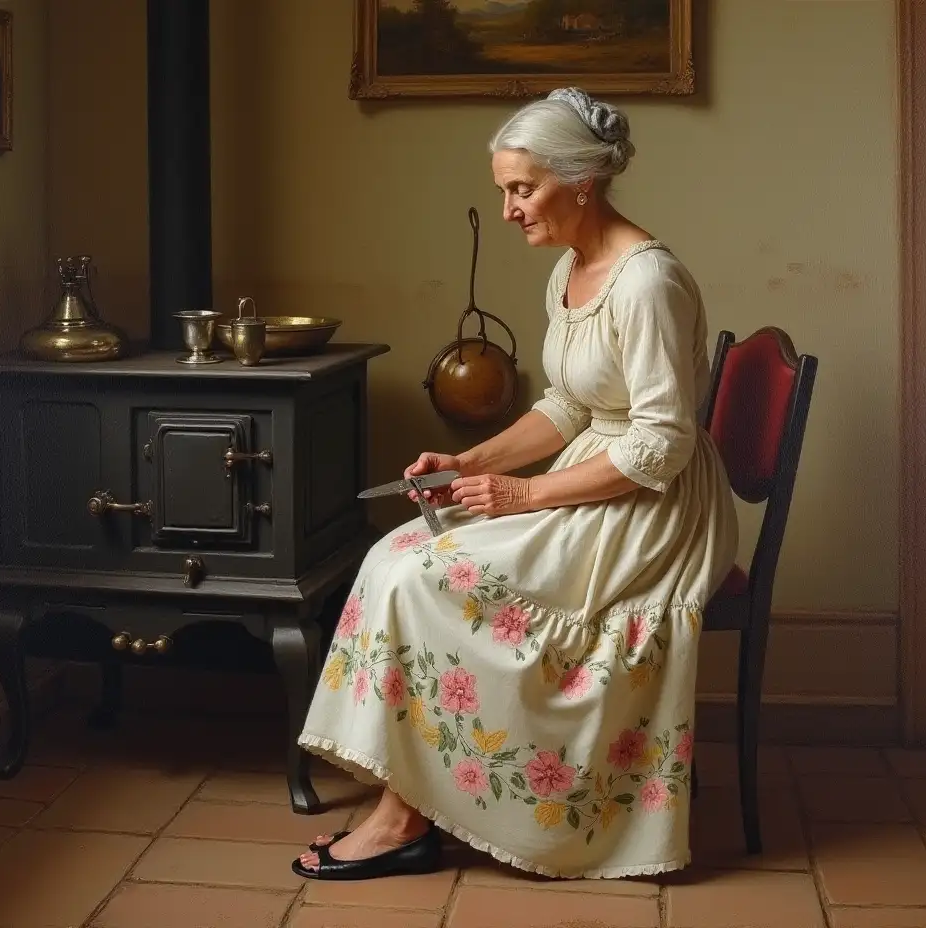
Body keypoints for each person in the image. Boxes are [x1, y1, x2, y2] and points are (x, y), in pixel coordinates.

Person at [291, 86, 739, 882]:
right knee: (397, 552)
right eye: (504, 189)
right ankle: (413, 802)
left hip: (655, 507)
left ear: (581, 182)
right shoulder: (570, 270)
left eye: (521, 188)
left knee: (428, 577)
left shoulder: (648, 283)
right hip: (595, 475)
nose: (507, 209)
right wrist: (474, 465)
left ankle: (404, 820)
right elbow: (567, 406)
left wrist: (525, 496)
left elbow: (662, 445)